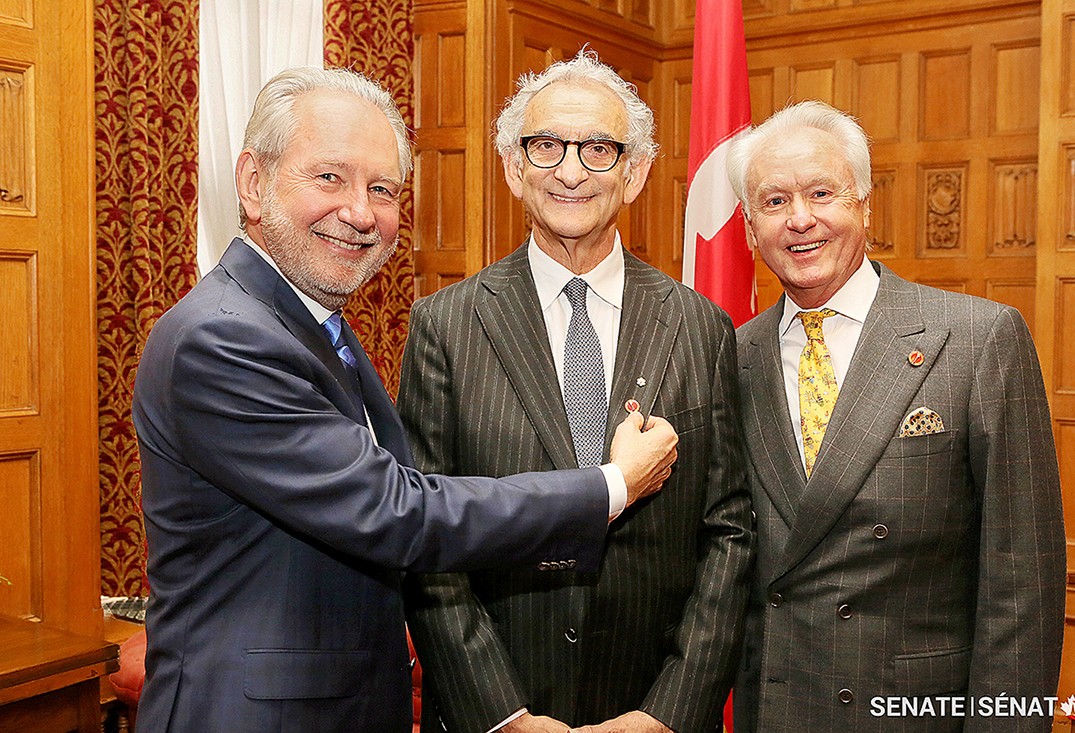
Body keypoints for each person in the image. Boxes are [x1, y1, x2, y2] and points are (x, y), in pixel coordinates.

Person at [131, 66, 680, 733]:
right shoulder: (223, 337)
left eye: (382, 188)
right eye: (330, 177)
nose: (361, 212)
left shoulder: (313, 324)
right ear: (252, 182)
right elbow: (400, 509)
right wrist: (613, 484)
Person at [399, 50, 754, 733]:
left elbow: (730, 533)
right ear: (513, 167)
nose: (569, 170)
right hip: (499, 707)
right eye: (546, 145)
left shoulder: (701, 325)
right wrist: (504, 715)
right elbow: (425, 536)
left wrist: (667, 713)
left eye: (597, 148)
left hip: (651, 704)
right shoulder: (445, 324)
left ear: (635, 172)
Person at [727, 99, 1066, 732]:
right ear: (749, 230)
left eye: (822, 193)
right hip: (777, 708)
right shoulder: (733, 357)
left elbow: (1023, 588)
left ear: (863, 204)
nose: (799, 220)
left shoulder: (976, 339)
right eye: (773, 203)